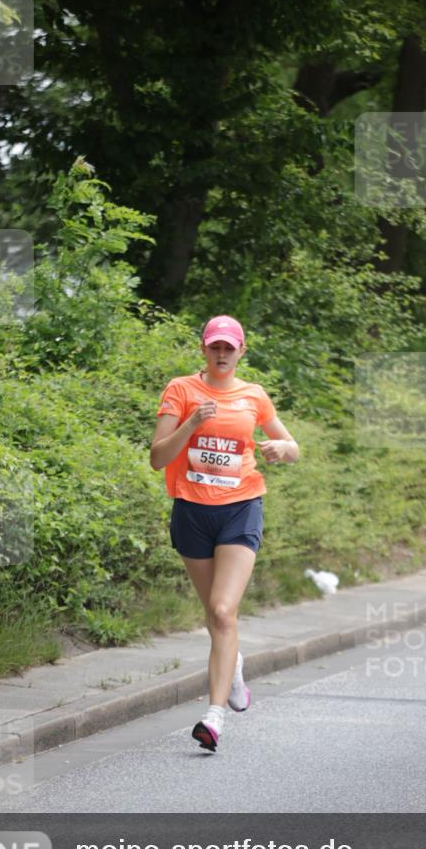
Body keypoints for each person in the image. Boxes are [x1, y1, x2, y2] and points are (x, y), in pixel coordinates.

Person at [150, 315, 299, 752]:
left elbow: (290, 446)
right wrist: (191, 422)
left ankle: (213, 717)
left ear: (241, 351)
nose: (221, 354)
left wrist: (281, 449)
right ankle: (232, 668)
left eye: (228, 348)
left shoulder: (254, 396)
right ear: (203, 349)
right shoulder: (180, 391)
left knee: (221, 610)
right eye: (214, 346)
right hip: (191, 512)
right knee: (218, 617)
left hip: (240, 508)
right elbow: (158, 458)